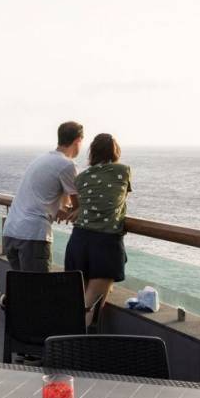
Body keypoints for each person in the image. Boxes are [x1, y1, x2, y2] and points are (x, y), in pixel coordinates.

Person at [64, 133, 131, 325]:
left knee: (78, 298)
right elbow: (118, 200)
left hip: (78, 240)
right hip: (104, 242)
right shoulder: (123, 171)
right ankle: (73, 348)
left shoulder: (82, 177)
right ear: (115, 151)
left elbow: (87, 203)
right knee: (89, 304)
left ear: (92, 152)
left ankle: (64, 346)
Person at [2, 121, 83, 272]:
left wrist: (61, 207)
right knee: (39, 291)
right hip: (32, 235)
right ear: (78, 140)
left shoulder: (42, 159)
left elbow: (55, 191)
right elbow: (79, 205)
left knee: (22, 290)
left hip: (11, 232)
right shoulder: (67, 165)